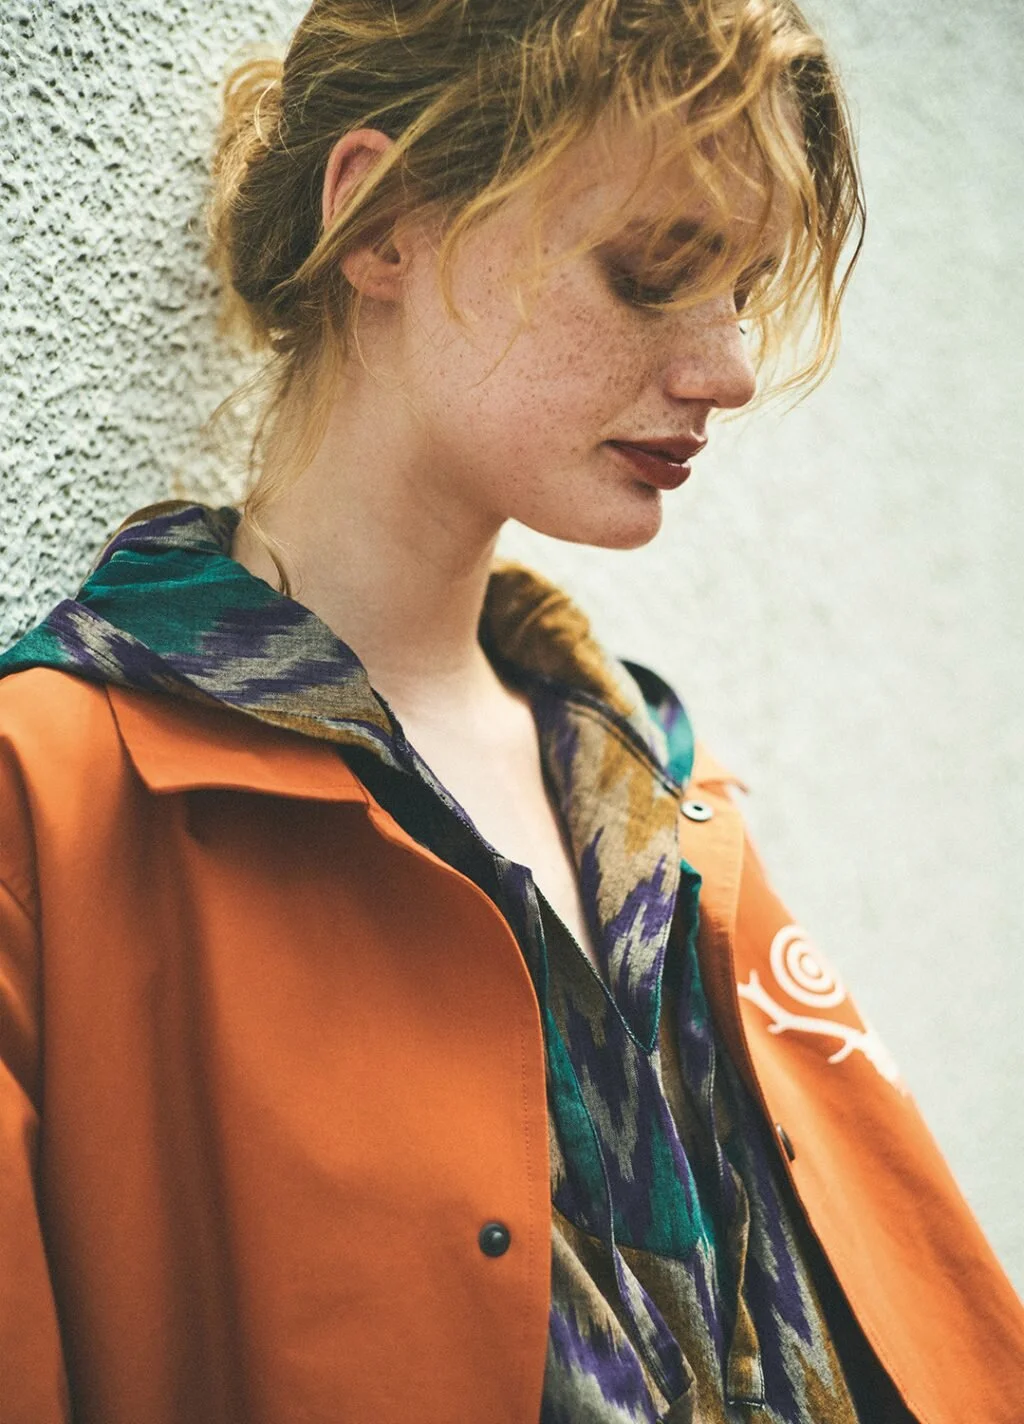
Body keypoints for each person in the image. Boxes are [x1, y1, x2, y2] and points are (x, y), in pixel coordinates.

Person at [1, 0, 1021, 1420]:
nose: (729, 370)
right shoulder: (54, 802)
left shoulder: (655, 785)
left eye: (740, 288)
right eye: (653, 272)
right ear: (383, 224)